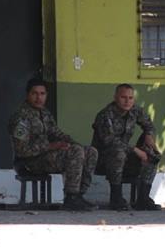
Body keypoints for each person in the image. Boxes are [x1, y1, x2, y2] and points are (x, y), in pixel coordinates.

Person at [8, 77, 98, 212]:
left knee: (90, 151)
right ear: (28, 95)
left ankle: (78, 195)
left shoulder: (45, 113)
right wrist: (51, 146)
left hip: (47, 156)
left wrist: (71, 143)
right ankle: (71, 197)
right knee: (76, 152)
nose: (39, 98)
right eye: (34, 93)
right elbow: (22, 150)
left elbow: (57, 133)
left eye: (42, 94)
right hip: (29, 162)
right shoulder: (21, 117)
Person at [91, 84, 162, 211]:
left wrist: (149, 134)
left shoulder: (135, 110)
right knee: (119, 152)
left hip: (126, 157)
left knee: (152, 154)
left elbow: (149, 124)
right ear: (115, 98)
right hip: (104, 159)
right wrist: (136, 150)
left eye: (130, 98)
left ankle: (143, 199)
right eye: (123, 97)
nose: (127, 101)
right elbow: (110, 141)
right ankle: (116, 198)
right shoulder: (105, 115)